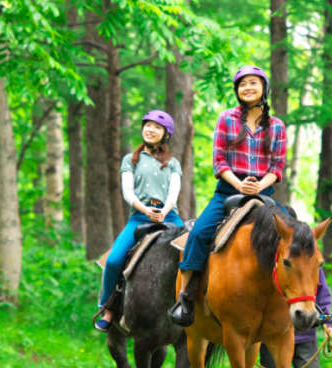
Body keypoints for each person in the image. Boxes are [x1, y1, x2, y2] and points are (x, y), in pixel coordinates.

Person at [169, 65, 287, 326]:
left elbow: (277, 166)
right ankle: (185, 297)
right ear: (237, 90)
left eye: (253, 83)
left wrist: (258, 185)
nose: (247, 88)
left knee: (297, 233)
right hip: (228, 191)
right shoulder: (226, 119)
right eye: (242, 84)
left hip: (263, 194)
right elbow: (218, 161)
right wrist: (239, 184)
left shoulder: (277, 126)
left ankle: (311, 300)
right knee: (199, 232)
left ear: (264, 88)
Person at [95, 110, 183, 332]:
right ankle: (108, 308)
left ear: (166, 134)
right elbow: (127, 193)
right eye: (148, 125)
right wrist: (146, 210)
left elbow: (174, 192)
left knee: (192, 254)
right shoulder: (130, 160)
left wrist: (163, 210)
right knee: (114, 260)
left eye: (157, 127)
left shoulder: (172, 162)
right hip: (139, 217)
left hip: (169, 217)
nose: (150, 129)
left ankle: (193, 307)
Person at [259, 206, 332, 368]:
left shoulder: (309, 258)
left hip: (304, 332)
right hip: (273, 334)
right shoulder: (270, 261)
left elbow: (322, 292)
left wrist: (327, 323)